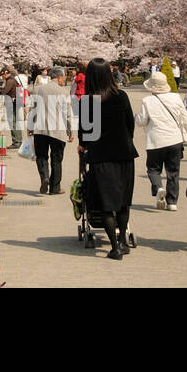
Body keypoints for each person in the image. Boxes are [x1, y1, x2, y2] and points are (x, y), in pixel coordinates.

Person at [78, 58, 138, 260]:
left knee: (105, 203)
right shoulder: (121, 96)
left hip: (101, 157)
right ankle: (122, 241)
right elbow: (130, 124)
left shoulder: (87, 101)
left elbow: (85, 134)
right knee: (123, 201)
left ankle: (115, 247)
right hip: (124, 154)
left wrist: (83, 147)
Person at [135, 70, 187, 210]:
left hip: (156, 140)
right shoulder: (175, 97)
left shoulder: (147, 101)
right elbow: (185, 118)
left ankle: (158, 187)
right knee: (173, 172)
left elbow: (141, 121)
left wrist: (137, 117)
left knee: (153, 169)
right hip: (174, 139)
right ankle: (172, 202)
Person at [26, 65, 74, 195]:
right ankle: (55, 188)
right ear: (58, 78)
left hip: (40, 129)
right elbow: (67, 114)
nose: (64, 80)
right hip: (58, 131)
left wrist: (30, 127)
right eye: (64, 77)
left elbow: (32, 109)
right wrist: (70, 131)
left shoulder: (38, 90)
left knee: (41, 156)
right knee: (56, 159)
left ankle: (44, 177)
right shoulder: (64, 92)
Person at [0, 67, 22, 148]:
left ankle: (16, 142)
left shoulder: (10, 81)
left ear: (5, 73)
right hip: (16, 102)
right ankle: (19, 141)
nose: (2, 77)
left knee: (12, 122)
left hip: (12, 103)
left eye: (2, 75)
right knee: (15, 121)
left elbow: (5, 91)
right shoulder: (14, 79)